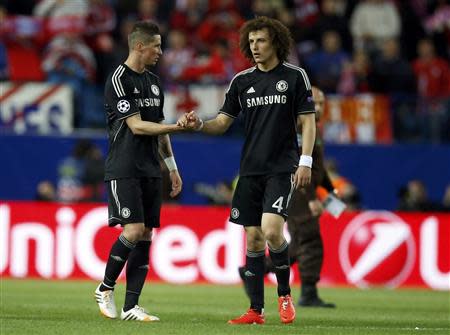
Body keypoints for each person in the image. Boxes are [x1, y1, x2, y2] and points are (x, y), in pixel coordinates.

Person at [179, 16, 316, 325]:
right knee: (252, 240)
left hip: (282, 168)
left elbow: (308, 121)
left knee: (271, 230)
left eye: (261, 41)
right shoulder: (242, 81)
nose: (255, 47)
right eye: (251, 42)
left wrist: (305, 160)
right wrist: (200, 123)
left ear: (276, 43)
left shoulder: (295, 77)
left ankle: (284, 294)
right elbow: (222, 122)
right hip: (250, 170)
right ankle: (256, 310)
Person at [94, 20, 183, 322]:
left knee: (146, 235)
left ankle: (132, 306)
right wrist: (175, 125)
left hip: (150, 169)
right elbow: (138, 126)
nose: (161, 51)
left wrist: (172, 167)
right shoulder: (118, 79)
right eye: (156, 45)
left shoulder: (155, 82)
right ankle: (105, 288)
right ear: (139, 46)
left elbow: (159, 128)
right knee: (132, 230)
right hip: (124, 167)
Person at [238, 87, 337, 308]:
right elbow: (298, 167)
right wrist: (311, 197)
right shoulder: (298, 128)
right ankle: (308, 293)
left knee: (300, 243)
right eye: (316, 104)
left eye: (322, 104)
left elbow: (318, 168)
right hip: (297, 192)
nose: (318, 108)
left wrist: (333, 196)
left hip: (306, 192)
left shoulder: (313, 129)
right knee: (309, 240)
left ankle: (258, 268)